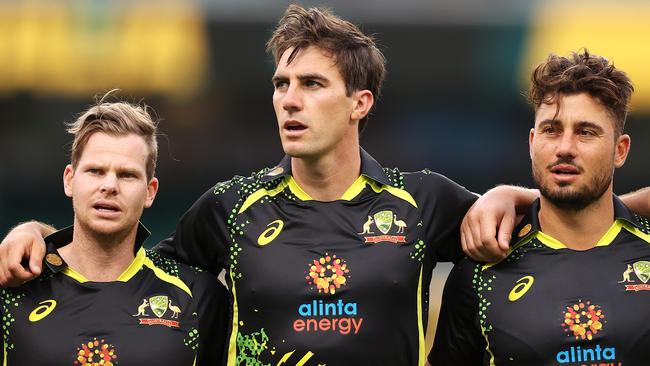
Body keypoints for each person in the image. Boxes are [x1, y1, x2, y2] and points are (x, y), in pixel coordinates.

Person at [2, 6, 650, 365]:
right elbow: (127, 267)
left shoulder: (422, 201)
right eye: (282, 85)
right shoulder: (232, 207)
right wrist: (39, 232)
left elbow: (576, 214)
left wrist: (515, 196)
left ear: (359, 102)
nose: (290, 100)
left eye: (312, 85)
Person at [430, 50, 650, 365]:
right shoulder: (481, 274)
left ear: (620, 150)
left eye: (586, 132)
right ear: (532, 142)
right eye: (551, 130)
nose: (564, 148)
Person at [0, 96, 229, 365]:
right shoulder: (14, 284)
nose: (109, 186)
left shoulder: (197, 296)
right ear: (70, 181)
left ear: (150, 192)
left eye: (127, 175)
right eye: (96, 171)